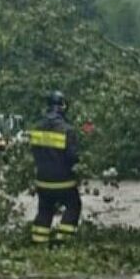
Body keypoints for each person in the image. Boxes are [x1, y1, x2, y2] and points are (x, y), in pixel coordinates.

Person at [29, 91, 81, 246]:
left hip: (42, 180)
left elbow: (34, 151)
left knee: (45, 209)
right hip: (63, 181)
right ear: (63, 106)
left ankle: (38, 242)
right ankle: (63, 241)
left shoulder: (37, 128)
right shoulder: (67, 130)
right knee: (74, 205)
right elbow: (73, 157)